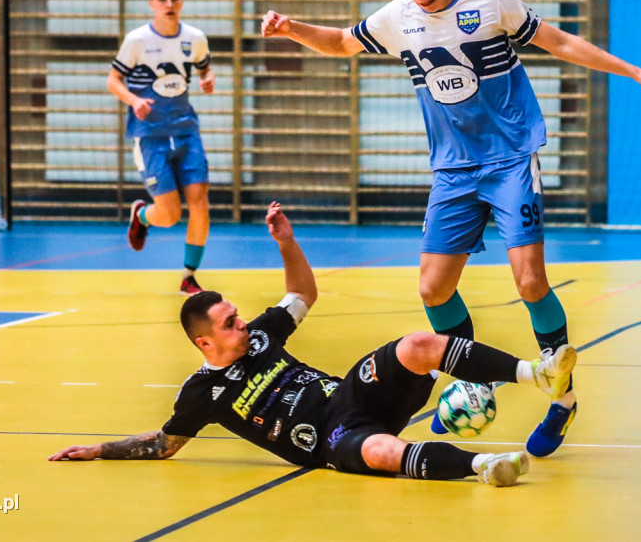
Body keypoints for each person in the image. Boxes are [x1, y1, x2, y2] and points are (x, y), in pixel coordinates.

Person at [260, 0, 641, 456]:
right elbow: (342, 42)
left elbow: (562, 43)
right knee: (433, 289)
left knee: (529, 282)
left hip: (509, 162)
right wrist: (291, 27)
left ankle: (564, 401)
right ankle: (475, 378)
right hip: (453, 171)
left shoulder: (491, 3)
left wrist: (635, 72)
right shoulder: (398, 18)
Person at [49, 202, 578, 487]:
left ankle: (539, 373)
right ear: (205, 343)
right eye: (230, 322)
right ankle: (483, 467)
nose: (243, 323)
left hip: (353, 397)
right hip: (332, 440)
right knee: (379, 452)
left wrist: (288, 242)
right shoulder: (201, 394)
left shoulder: (259, 337)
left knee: (417, 343)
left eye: (237, 316)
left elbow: (302, 292)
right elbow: (163, 443)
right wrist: (100, 449)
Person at [109, 0, 215, 295]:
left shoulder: (194, 38)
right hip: (151, 135)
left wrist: (207, 79)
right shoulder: (138, 41)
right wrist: (134, 100)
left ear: (182, 2)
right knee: (169, 215)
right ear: (152, 4)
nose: (169, 4)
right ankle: (141, 215)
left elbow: (204, 66)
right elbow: (113, 80)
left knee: (200, 202)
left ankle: (188, 276)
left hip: (186, 131)